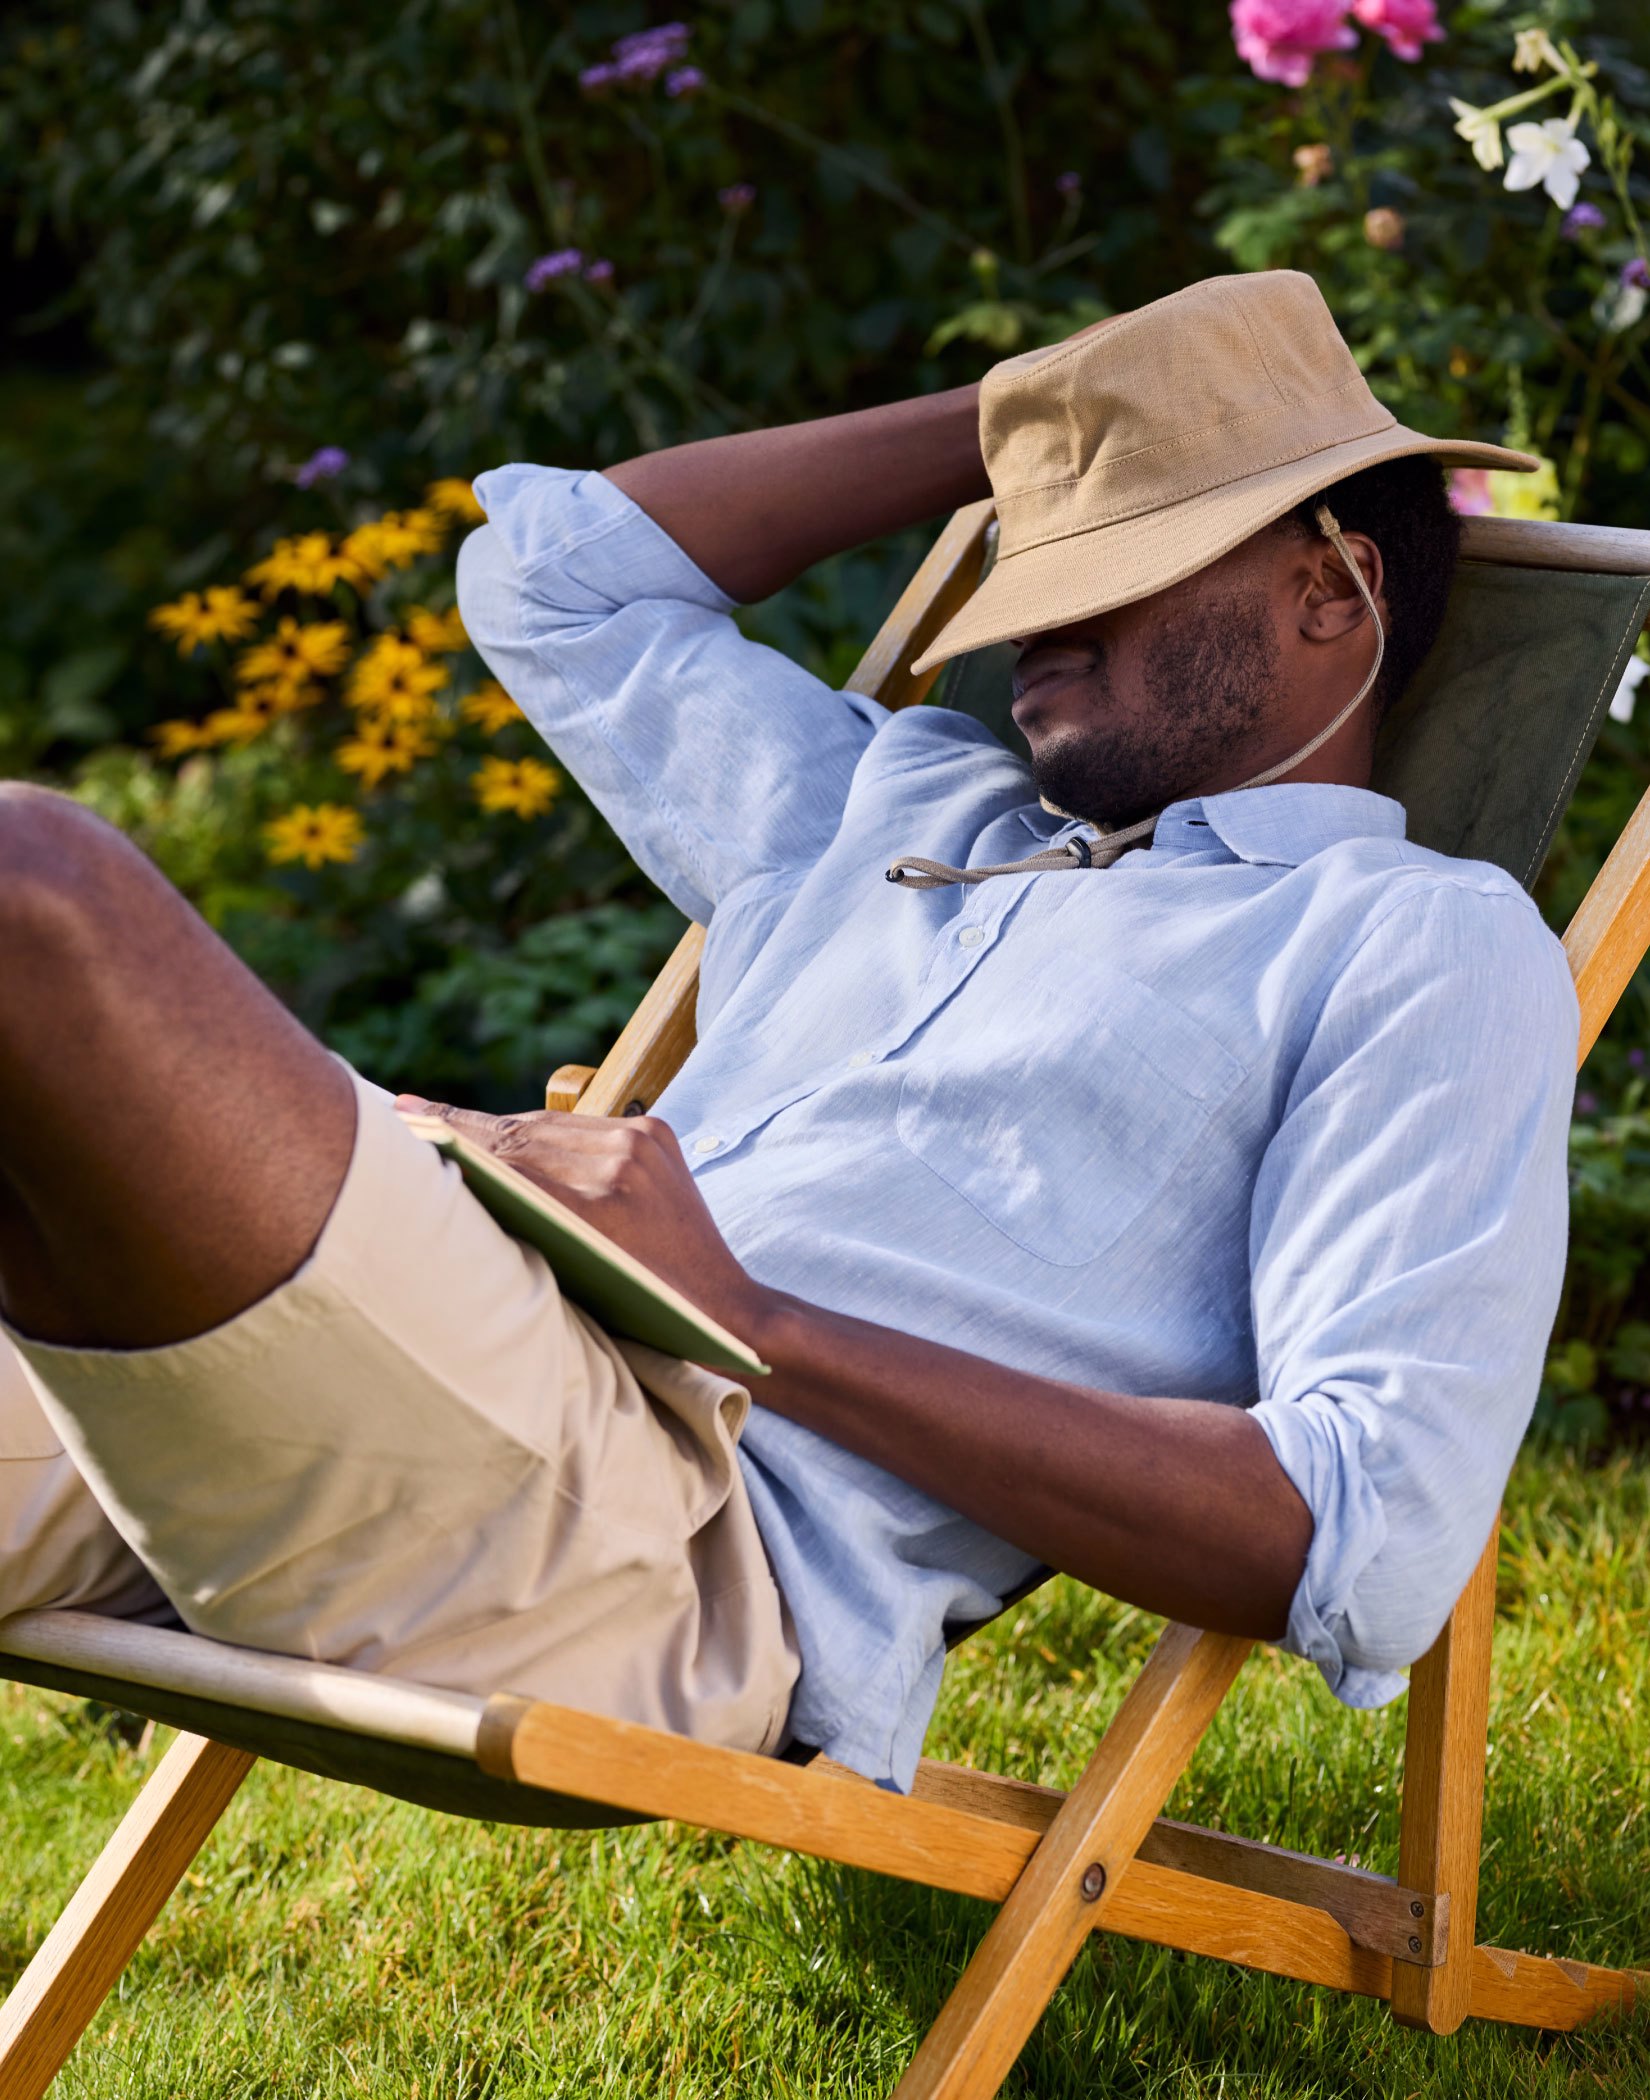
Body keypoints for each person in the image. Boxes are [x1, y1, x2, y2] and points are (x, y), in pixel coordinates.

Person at [0, 270, 1578, 1791]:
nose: (1034, 620)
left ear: (1330, 588)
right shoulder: (893, 806)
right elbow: (549, 578)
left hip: (657, 1531)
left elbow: (1363, 1543)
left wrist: (754, 1320)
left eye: (1115, 560)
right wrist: (1043, 417)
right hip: (387, 1392)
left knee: (35, 887)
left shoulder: (1407, 942)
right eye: (1032, 560)